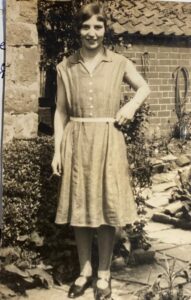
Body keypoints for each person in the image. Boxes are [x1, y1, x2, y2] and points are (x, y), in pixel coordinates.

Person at [51, 2, 150, 299]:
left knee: (107, 209)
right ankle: (85, 272)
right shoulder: (65, 66)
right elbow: (60, 112)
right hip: (77, 141)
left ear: (105, 29)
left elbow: (144, 88)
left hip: (109, 140)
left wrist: (130, 106)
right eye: (85, 27)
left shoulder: (119, 63)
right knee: (80, 208)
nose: (91, 33)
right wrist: (57, 151)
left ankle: (104, 275)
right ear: (78, 30)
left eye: (98, 27)